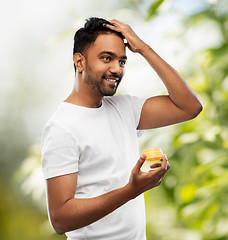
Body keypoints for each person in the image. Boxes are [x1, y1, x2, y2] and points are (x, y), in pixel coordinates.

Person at [40, 17, 202, 239]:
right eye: (107, 58)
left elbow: (190, 107)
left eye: (122, 61)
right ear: (80, 62)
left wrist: (144, 49)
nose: (116, 69)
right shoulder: (62, 127)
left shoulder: (125, 108)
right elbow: (60, 220)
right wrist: (131, 190)